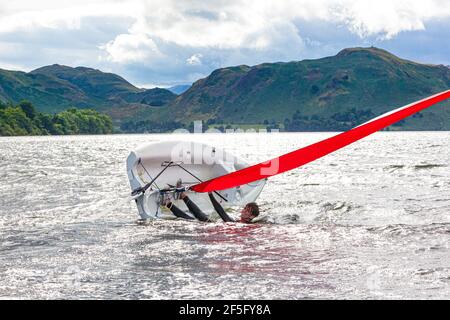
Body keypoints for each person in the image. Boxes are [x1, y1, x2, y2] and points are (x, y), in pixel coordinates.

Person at [163, 192, 260, 223]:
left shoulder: (241, 226)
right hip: (213, 224)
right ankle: (182, 196)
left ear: (251, 217)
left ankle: (167, 203)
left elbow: (221, 212)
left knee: (191, 219)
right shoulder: (237, 222)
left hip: (210, 229)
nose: (243, 211)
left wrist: (210, 194)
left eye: (247, 211)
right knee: (201, 215)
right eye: (245, 208)